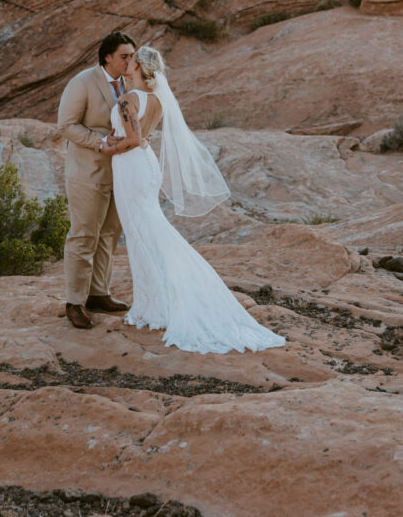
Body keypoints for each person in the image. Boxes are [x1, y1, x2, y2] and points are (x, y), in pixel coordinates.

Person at [106, 44, 285, 354]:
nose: (128, 61)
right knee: (146, 231)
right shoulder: (157, 100)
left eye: (132, 59)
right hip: (145, 163)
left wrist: (106, 148)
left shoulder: (127, 99)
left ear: (138, 68)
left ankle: (159, 305)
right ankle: (155, 304)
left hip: (131, 166)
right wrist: (117, 140)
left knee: (143, 233)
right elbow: (141, 137)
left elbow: (132, 139)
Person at [57, 30, 136, 329]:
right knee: (83, 236)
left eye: (132, 56)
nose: (130, 61)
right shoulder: (82, 82)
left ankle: (98, 293)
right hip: (88, 172)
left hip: (122, 173)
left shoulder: (130, 83)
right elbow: (66, 125)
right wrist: (102, 141)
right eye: (124, 56)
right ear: (107, 57)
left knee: (109, 235)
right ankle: (74, 302)